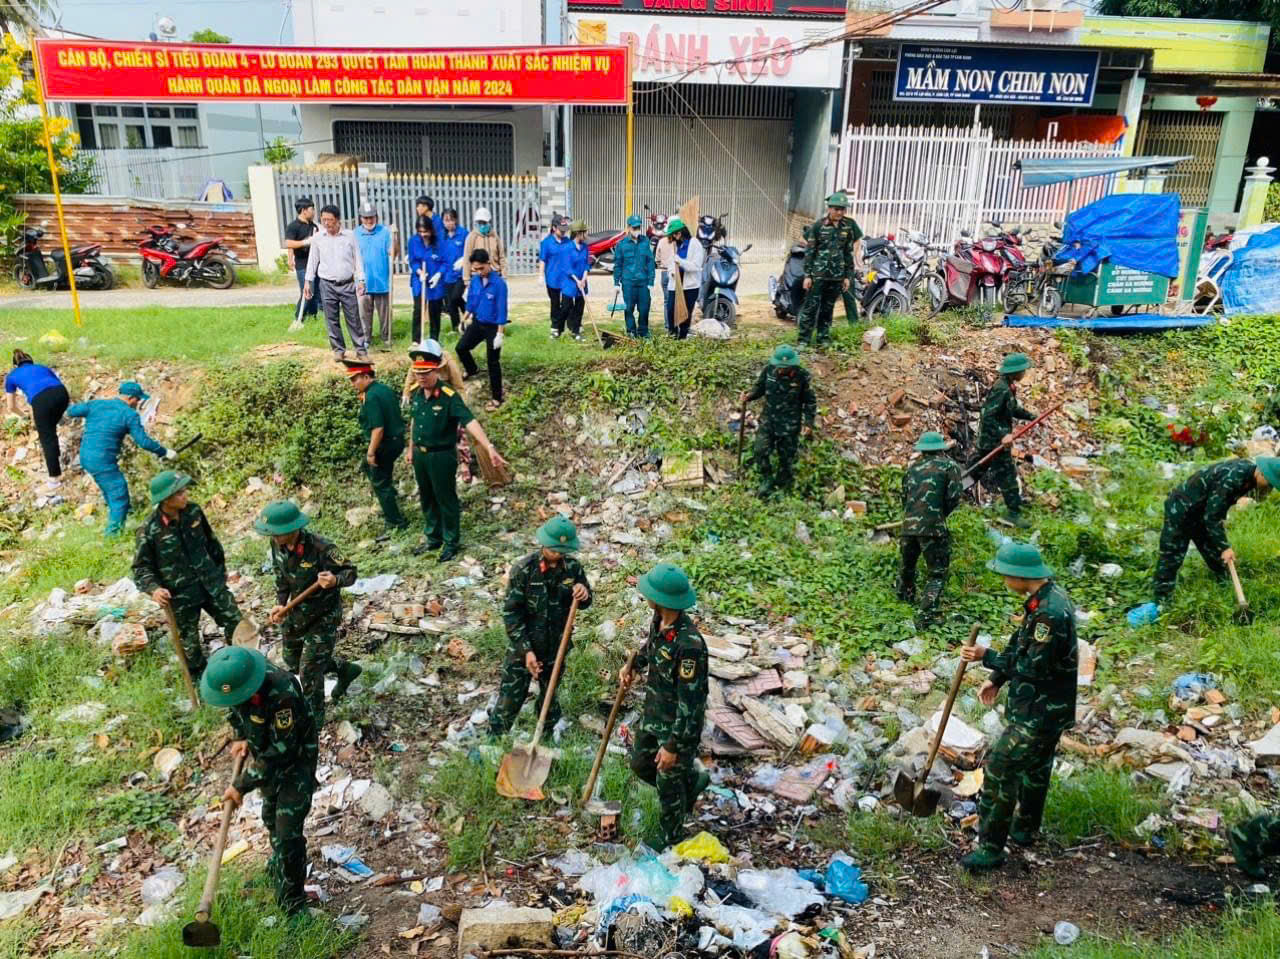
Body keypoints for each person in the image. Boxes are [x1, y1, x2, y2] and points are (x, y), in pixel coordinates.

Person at [958, 542, 1077, 872]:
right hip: (1044, 709)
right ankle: (1025, 829)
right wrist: (996, 677)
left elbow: (1034, 667)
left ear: (1018, 575)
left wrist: (987, 657)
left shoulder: (1050, 615)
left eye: (1005, 574)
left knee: (1000, 771)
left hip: (1039, 712)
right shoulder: (1043, 601)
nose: (1003, 579)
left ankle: (991, 849)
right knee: (1037, 769)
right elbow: (1021, 644)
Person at [201, 646, 318, 917]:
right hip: (265, 754)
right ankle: (278, 868)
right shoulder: (238, 681)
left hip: (295, 761)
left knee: (287, 832)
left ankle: (293, 906)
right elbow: (234, 708)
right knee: (270, 817)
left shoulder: (283, 693)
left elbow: (282, 751)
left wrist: (240, 784)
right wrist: (241, 735)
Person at [619, 562, 710, 850]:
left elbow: (691, 704)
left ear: (662, 600)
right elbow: (650, 649)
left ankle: (672, 838)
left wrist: (672, 746)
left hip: (678, 728)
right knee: (640, 765)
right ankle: (692, 780)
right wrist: (632, 666)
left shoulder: (689, 646)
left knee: (668, 788)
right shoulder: (659, 621)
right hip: (654, 715)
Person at [131, 469, 244, 682]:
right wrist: (154, 589)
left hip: (211, 584)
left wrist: (219, 572)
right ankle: (203, 684)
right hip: (181, 596)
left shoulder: (194, 512)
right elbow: (141, 568)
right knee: (189, 645)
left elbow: (212, 543)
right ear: (165, 499)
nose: (186, 495)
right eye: (179, 493)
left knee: (237, 623)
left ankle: (242, 668)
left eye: (185, 490)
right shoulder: (149, 530)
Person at [256, 500, 360, 725]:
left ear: (291, 530)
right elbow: (281, 578)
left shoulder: (322, 547)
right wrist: (281, 604)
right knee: (292, 661)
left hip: (323, 616)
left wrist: (335, 580)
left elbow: (351, 573)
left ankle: (314, 722)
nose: (272, 538)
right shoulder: (277, 546)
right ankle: (344, 669)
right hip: (296, 613)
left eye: (276, 533)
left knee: (309, 673)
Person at [488, 516, 592, 737]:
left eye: (562, 551)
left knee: (549, 697)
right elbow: (511, 614)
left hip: (556, 646)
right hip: (524, 647)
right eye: (554, 550)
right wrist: (526, 651)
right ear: (543, 544)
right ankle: (495, 739)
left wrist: (583, 593)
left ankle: (543, 737)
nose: (558, 555)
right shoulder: (523, 570)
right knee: (510, 697)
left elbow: (586, 601)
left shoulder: (573, 568)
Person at [404, 341, 507, 562]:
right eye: (418, 373)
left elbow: (469, 421)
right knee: (427, 496)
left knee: (445, 498)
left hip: (442, 455)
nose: (421, 377)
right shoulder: (416, 394)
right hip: (421, 455)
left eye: (426, 373)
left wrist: (488, 446)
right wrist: (411, 448)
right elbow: (415, 422)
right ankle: (433, 538)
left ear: (436, 371)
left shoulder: (449, 396)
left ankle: (451, 542)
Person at [1149, 456, 1280, 611]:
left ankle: (1224, 584)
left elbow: (1216, 507)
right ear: (1262, 474)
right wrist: (1225, 546)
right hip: (1182, 508)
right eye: (1270, 484)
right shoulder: (1234, 478)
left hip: (1202, 511)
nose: (1270, 488)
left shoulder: (1249, 474)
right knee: (1172, 555)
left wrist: (1221, 544)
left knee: (1214, 551)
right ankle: (1161, 601)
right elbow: (1212, 517)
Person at [66, 381, 173, 536]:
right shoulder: (129, 415)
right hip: (102, 460)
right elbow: (143, 442)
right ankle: (113, 536)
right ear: (130, 398)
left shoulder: (96, 404)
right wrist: (164, 452)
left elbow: (71, 411)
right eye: (138, 399)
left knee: (110, 489)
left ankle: (124, 516)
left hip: (85, 456)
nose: (138, 402)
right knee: (119, 494)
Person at [897, 431, 964, 624]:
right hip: (933, 528)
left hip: (908, 527)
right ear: (940, 449)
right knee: (937, 572)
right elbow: (953, 497)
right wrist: (939, 515)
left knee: (907, 567)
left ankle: (904, 600)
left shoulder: (912, 469)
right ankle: (926, 614)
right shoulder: (949, 467)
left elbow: (904, 498)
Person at [741, 345, 815, 497]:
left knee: (786, 457)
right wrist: (749, 396)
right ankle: (767, 479)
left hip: (790, 425)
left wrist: (809, 423)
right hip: (768, 421)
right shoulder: (769, 371)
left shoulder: (802, 377)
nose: (780, 371)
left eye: (785, 368)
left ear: (792, 365)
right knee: (760, 450)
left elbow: (810, 401)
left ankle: (783, 484)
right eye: (779, 367)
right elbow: (759, 388)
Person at [972, 352, 1036, 527]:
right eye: (1023, 370)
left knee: (973, 471)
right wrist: (1003, 435)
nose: (1024, 373)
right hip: (993, 441)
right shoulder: (1000, 388)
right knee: (1007, 475)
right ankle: (1012, 514)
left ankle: (950, 494)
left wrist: (1032, 417)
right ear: (1015, 372)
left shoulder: (1008, 387)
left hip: (992, 441)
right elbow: (987, 415)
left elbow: (1013, 408)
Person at [345, 359, 407, 532]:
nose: (352, 384)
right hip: (397, 440)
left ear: (366, 376)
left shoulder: (371, 396)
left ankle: (396, 522)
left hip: (385, 443)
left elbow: (378, 429)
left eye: (354, 379)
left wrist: (371, 452)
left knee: (380, 482)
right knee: (368, 468)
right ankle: (390, 499)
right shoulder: (383, 389)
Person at [303, 204, 367, 362]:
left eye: (330, 220)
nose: (326, 223)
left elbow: (358, 259)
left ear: (338, 220)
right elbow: (312, 261)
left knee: (353, 317)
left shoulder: (350, 236)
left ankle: (361, 350)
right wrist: (307, 282)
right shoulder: (318, 238)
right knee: (331, 318)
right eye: (323, 220)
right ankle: (338, 349)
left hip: (347, 283)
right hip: (326, 284)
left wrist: (361, 280)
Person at [796, 192, 858, 348]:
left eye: (843, 209)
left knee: (827, 309)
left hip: (836, 277)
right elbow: (810, 252)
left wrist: (847, 277)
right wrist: (808, 275)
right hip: (818, 276)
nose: (840, 212)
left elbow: (847, 253)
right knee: (810, 308)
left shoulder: (848, 227)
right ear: (829, 208)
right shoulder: (818, 226)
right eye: (837, 209)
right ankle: (803, 340)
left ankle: (823, 338)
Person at [5, 349, 69, 486]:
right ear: (31, 361)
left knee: (47, 438)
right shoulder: (42, 367)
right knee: (50, 425)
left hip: (41, 400)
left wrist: (24, 416)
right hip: (62, 394)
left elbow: (11, 406)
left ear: (15, 365)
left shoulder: (11, 376)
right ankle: (57, 447)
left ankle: (54, 478)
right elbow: (55, 383)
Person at [458, 248, 507, 410]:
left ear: (488, 263)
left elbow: (502, 310)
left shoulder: (499, 284)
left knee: (492, 361)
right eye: (475, 269)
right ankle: (472, 369)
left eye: (481, 268)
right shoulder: (476, 281)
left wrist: (500, 334)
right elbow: (471, 302)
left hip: (493, 326)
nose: (479, 272)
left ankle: (497, 398)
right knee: (461, 348)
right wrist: (464, 320)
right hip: (478, 322)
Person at [355, 203, 393, 351]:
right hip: (363, 281)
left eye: (371, 217)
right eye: (365, 218)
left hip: (381, 280)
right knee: (364, 312)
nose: (369, 221)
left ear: (376, 216)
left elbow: (392, 252)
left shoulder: (385, 232)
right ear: (361, 218)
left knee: (384, 313)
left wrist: (395, 238)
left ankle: (386, 337)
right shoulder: (355, 234)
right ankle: (366, 338)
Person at [614, 214, 656, 339]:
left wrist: (651, 280)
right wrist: (616, 283)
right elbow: (618, 264)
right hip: (628, 282)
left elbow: (650, 261)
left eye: (638, 227)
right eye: (634, 227)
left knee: (644, 308)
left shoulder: (645, 242)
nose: (636, 230)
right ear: (628, 227)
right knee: (628, 308)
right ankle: (631, 331)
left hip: (643, 282)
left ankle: (643, 331)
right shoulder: (621, 245)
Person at [408, 215, 447, 343]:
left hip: (435, 281)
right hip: (419, 279)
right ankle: (416, 340)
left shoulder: (440, 243)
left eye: (426, 231)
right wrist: (419, 272)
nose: (423, 234)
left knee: (435, 310)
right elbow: (413, 261)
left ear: (431, 230)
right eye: (420, 231)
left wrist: (438, 275)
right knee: (418, 308)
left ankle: (433, 339)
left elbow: (445, 262)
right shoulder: (413, 241)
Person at [665, 218, 704, 341]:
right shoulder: (675, 245)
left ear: (680, 233)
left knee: (686, 313)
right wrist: (671, 272)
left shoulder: (695, 244)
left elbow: (696, 266)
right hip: (675, 284)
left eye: (674, 234)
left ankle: (682, 336)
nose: (673, 238)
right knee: (671, 309)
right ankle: (672, 334)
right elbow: (671, 263)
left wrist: (680, 262)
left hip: (690, 285)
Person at [284, 196, 320, 328]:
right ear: (304, 210)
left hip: (316, 264)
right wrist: (291, 258)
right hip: (302, 264)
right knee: (306, 291)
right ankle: (298, 319)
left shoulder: (314, 226)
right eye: (312, 209)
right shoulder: (293, 226)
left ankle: (313, 316)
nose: (314, 212)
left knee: (316, 292)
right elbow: (289, 243)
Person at [553, 220, 589, 342]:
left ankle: (576, 331)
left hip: (582, 282)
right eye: (585, 232)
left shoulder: (585, 247)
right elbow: (567, 267)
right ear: (578, 233)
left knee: (579, 308)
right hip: (570, 283)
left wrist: (583, 279)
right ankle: (557, 329)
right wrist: (577, 280)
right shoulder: (567, 248)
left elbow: (586, 264)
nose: (587, 234)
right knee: (566, 308)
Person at [440, 209, 470, 335]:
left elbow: (470, 251)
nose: (449, 223)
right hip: (446, 275)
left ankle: (470, 316)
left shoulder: (463, 234)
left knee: (455, 297)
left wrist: (464, 260)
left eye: (451, 220)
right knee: (450, 303)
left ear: (456, 220)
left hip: (460, 274)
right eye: (446, 220)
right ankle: (456, 327)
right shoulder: (441, 236)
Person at [539, 215, 569, 330]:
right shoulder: (546, 243)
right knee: (555, 304)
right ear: (554, 228)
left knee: (567, 304)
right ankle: (555, 327)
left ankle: (565, 324)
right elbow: (543, 260)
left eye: (564, 230)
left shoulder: (567, 242)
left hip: (566, 279)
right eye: (561, 230)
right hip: (552, 279)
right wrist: (541, 275)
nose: (563, 233)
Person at [463, 207, 506, 283]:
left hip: (494, 273)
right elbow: (467, 258)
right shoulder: (472, 237)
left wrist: (504, 274)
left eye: (484, 223)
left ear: (489, 222)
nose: (482, 225)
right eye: (480, 223)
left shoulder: (495, 236)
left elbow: (501, 256)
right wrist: (466, 279)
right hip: (477, 275)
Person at [655, 217, 678, 336]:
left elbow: (657, 259)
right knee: (676, 300)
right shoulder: (678, 242)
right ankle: (675, 325)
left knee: (666, 301)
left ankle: (668, 326)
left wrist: (662, 265)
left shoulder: (661, 241)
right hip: (675, 273)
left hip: (664, 273)